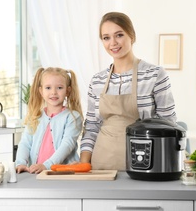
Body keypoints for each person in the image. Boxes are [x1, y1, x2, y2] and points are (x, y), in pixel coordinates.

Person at [80, 12, 177, 170]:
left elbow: (168, 124)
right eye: (106, 37)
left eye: (119, 35)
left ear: (131, 35)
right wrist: (83, 164)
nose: (113, 43)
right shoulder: (97, 81)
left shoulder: (154, 74)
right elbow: (91, 127)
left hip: (145, 163)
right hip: (102, 164)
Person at [15, 67, 83, 174]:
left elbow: (67, 144)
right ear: (41, 91)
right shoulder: (35, 116)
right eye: (48, 88)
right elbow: (25, 143)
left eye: (59, 87)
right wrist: (20, 163)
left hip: (63, 174)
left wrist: (46, 165)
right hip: (37, 173)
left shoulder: (73, 117)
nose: (53, 92)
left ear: (68, 91)